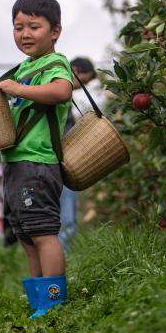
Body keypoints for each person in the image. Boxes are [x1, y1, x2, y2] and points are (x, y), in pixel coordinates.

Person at [0, 0, 72, 319]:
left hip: (38, 163)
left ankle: (54, 302)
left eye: (34, 26)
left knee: (43, 234)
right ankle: (40, 302)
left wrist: (19, 89)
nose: (25, 34)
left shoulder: (55, 64)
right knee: (27, 237)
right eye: (18, 28)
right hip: (17, 164)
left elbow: (61, 91)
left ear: (54, 31)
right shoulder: (26, 67)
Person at [59, 56, 98, 251]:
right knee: (67, 220)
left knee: (62, 218)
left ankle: (55, 263)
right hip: (62, 164)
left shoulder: (62, 95)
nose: (84, 86)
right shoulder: (60, 93)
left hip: (59, 162)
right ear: (75, 70)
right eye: (85, 80)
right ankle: (61, 263)